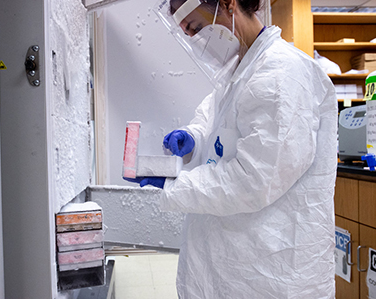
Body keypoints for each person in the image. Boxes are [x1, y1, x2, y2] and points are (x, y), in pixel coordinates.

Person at [127, 0, 337, 297]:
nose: (196, 39)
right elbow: (218, 131)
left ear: (228, 5)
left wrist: (177, 184)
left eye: (197, 28)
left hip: (272, 274)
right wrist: (192, 140)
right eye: (188, 33)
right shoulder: (241, 70)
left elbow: (255, 180)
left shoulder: (280, 74)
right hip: (237, 266)